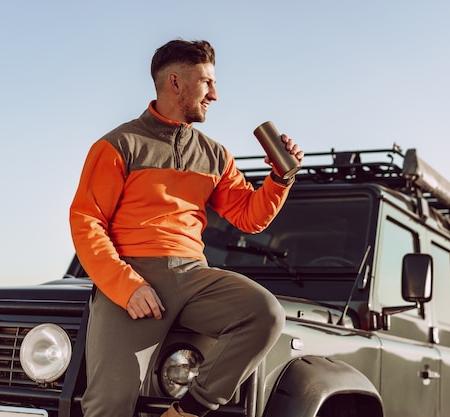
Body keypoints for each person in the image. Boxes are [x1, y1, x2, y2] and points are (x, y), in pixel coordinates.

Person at [69, 39, 304, 417]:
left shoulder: (215, 155)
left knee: (265, 314)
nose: (215, 94)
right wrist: (126, 286)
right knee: (108, 404)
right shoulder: (118, 145)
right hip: (134, 279)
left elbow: (248, 216)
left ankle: (187, 412)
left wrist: (280, 178)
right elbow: (87, 221)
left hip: (194, 275)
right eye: (206, 82)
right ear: (175, 83)